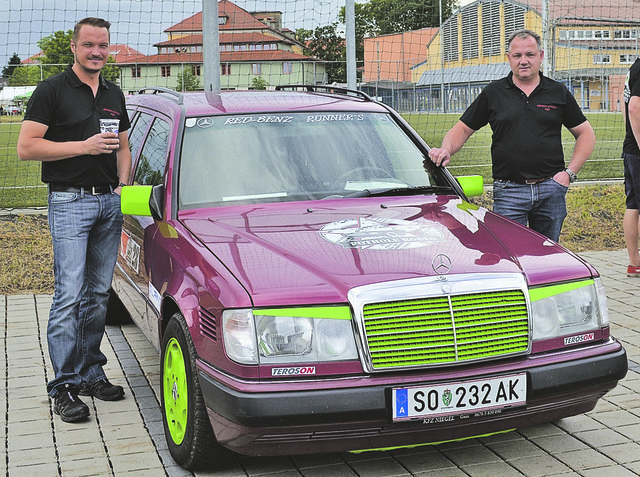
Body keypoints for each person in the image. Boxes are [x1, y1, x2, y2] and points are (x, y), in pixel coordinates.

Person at [16, 17, 132, 423]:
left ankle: (89, 372)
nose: (96, 52)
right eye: (88, 45)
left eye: (103, 45)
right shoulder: (51, 90)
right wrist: (82, 147)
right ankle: (63, 385)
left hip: (108, 206)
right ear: (74, 47)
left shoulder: (115, 93)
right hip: (69, 203)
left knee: (98, 294)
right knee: (69, 294)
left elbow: (123, 147)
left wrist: (121, 188)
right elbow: (26, 148)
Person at [427, 29, 596, 242]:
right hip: (509, 192)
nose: (523, 61)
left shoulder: (557, 92)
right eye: (517, 56)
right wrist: (446, 149)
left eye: (530, 55)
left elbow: (586, 134)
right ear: (509, 58)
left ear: (541, 56)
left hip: (551, 190)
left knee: (547, 255)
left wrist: (569, 174)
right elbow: (462, 129)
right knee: (508, 253)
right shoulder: (494, 93)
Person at [622, 57, 640, 277]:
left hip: (631, 149)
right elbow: (634, 107)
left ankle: (635, 263)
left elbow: (624, 105)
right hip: (636, 150)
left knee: (633, 204)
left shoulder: (634, 66)